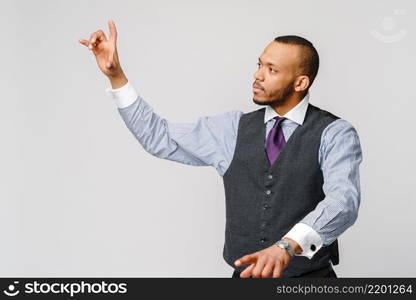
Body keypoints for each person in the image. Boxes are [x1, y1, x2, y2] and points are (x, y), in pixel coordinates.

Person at [79, 20, 362, 278]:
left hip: (311, 280)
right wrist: (116, 77)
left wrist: (287, 247)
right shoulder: (231, 129)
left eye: (271, 70)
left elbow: (343, 204)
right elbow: (158, 137)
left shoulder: (335, 133)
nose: (257, 75)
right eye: (260, 64)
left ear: (300, 82)